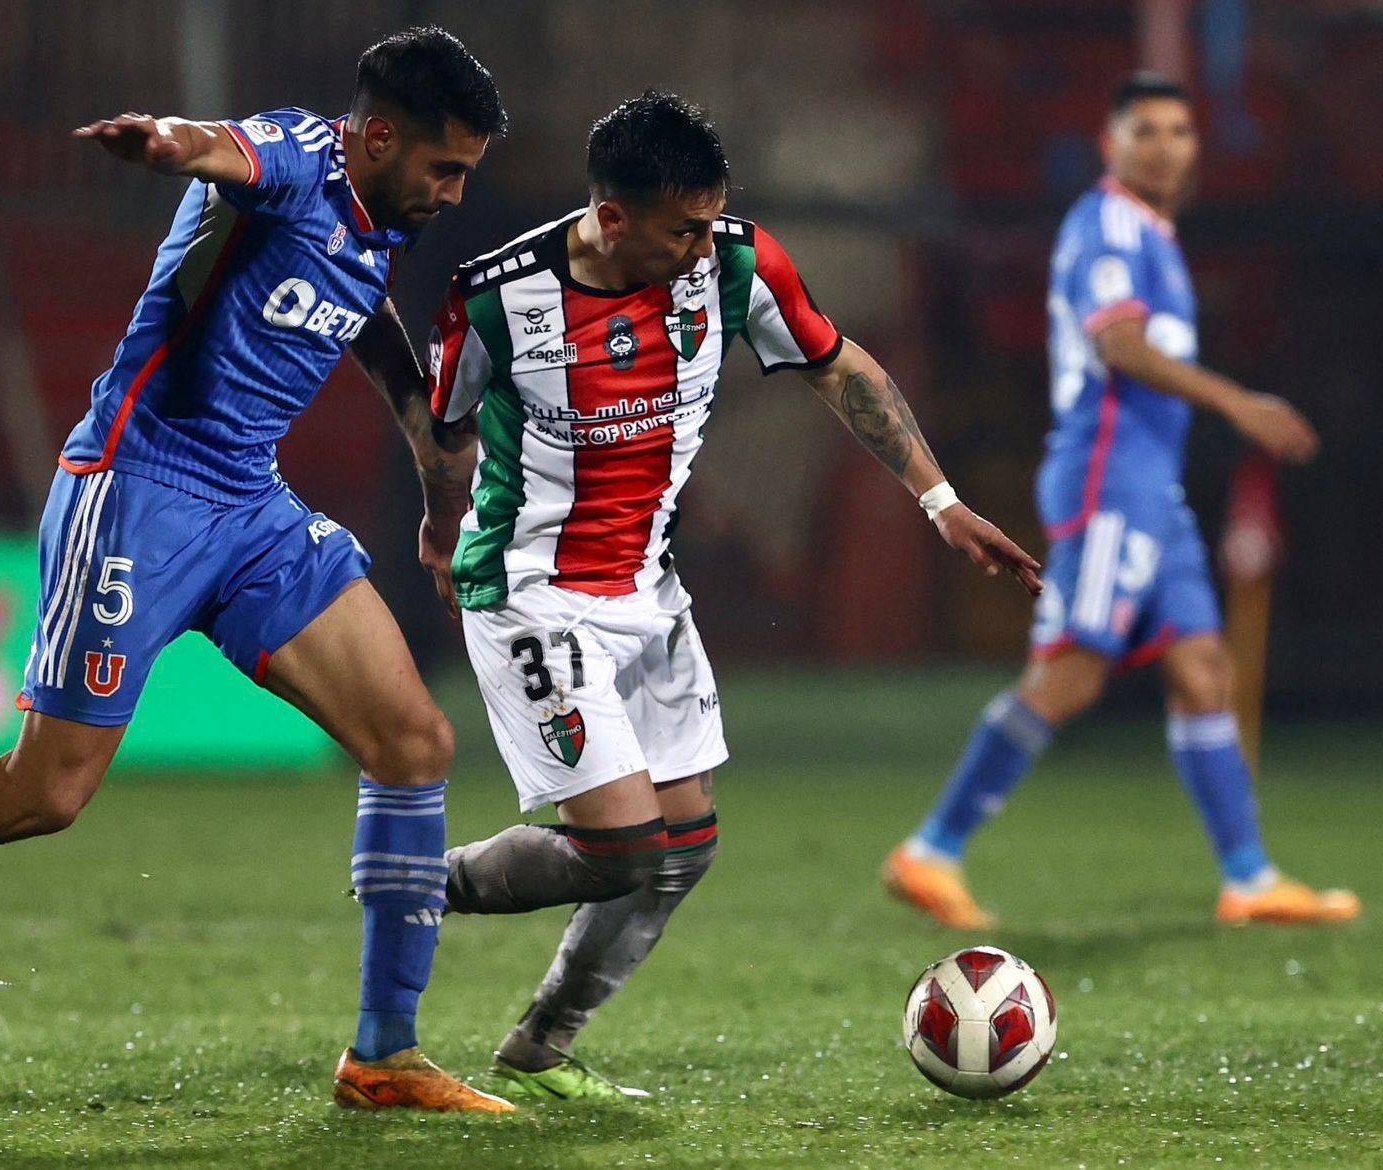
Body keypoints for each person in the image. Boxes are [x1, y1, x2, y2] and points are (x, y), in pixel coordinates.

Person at [0, 27, 515, 1114]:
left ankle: (382, 1056)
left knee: (413, 743)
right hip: (136, 493)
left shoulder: (377, 216)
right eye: (444, 167)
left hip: (248, 509)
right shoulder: (299, 156)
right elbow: (227, 150)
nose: (453, 192)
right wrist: (163, 142)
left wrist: (427, 452)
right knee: (46, 793)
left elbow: (356, 303)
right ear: (378, 135)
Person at [419, 92, 1042, 1099]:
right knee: (619, 846)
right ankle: (417, 878)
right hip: (533, 589)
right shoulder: (499, 296)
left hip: (649, 594)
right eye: (683, 228)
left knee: (682, 847)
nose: (704, 245)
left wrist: (938, 501)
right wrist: (436, 530)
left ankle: (541, 1045)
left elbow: (837, 368)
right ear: (611, 218)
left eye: (711, 221)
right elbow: (440, 427)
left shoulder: (738, 264)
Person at [885, 72, 1359, 930]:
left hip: (1153, 492)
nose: (1166, 145)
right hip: (1107, 480)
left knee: (1205, 672)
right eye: (1146, 130)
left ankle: (1249, 878)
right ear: (1111, 146)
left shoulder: (1155, 237)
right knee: (1070, 673)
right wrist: (1237, 401)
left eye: (1180, 130)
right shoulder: (1106, 225)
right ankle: (931, 851)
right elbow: (1120, 346)